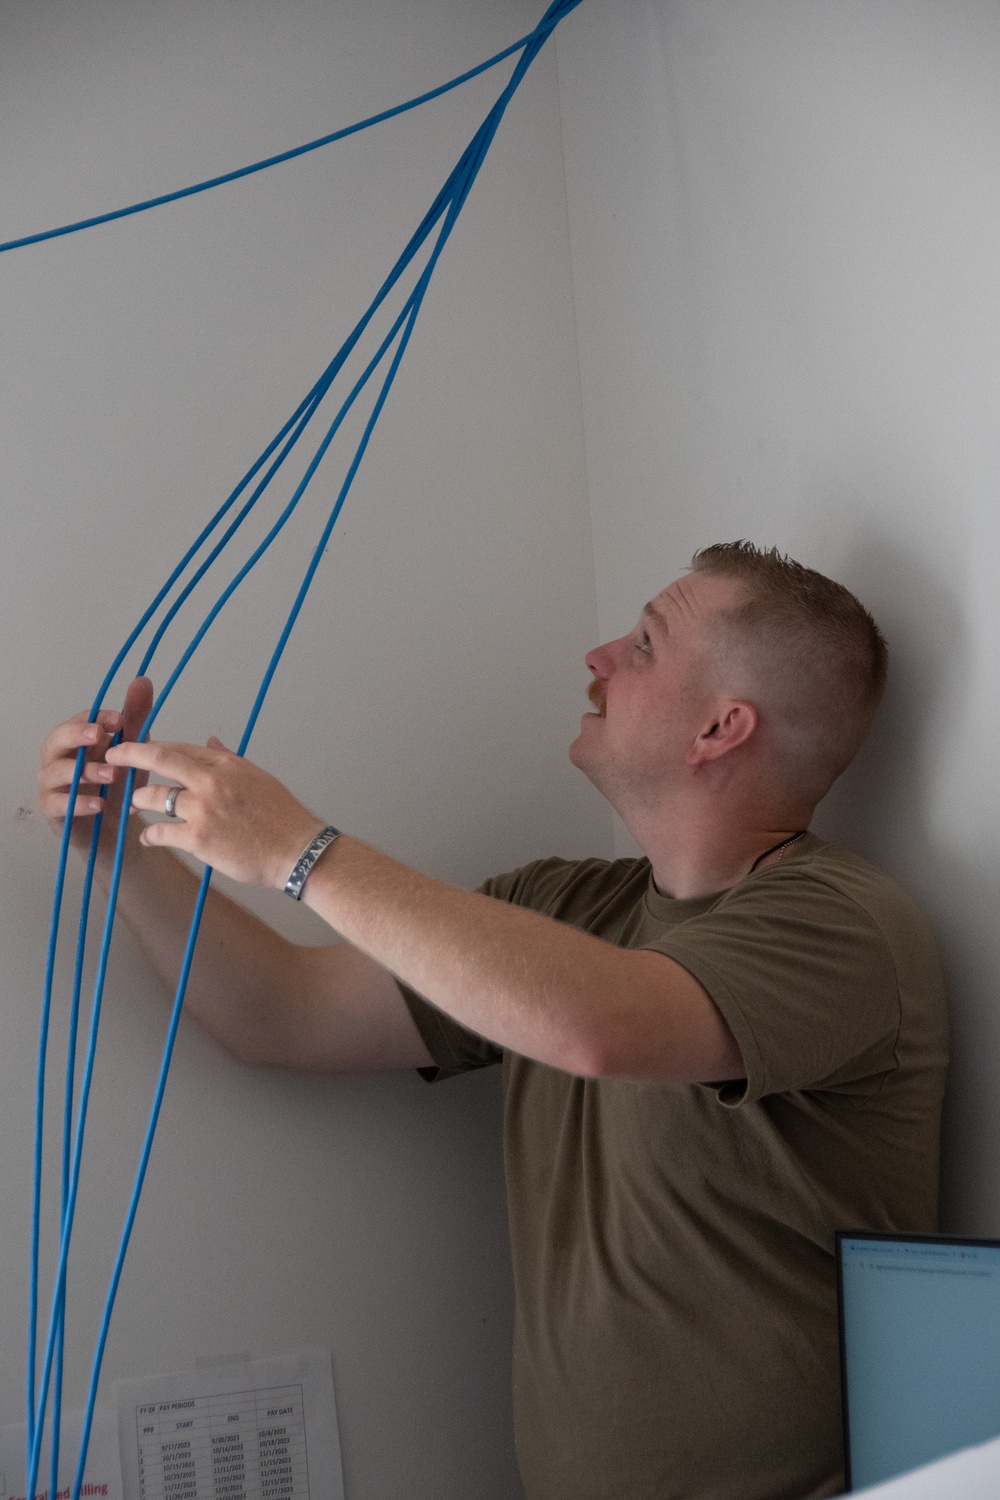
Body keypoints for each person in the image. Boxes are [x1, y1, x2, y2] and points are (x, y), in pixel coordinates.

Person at [38, 541, 948, 1500]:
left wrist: (303, 852)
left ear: (721, 727)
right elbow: (282, 1013)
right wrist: (122, 853)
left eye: (643, 643)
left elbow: (600, 1030)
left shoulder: (845, 924)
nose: (598, 658)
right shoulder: (562, 913)